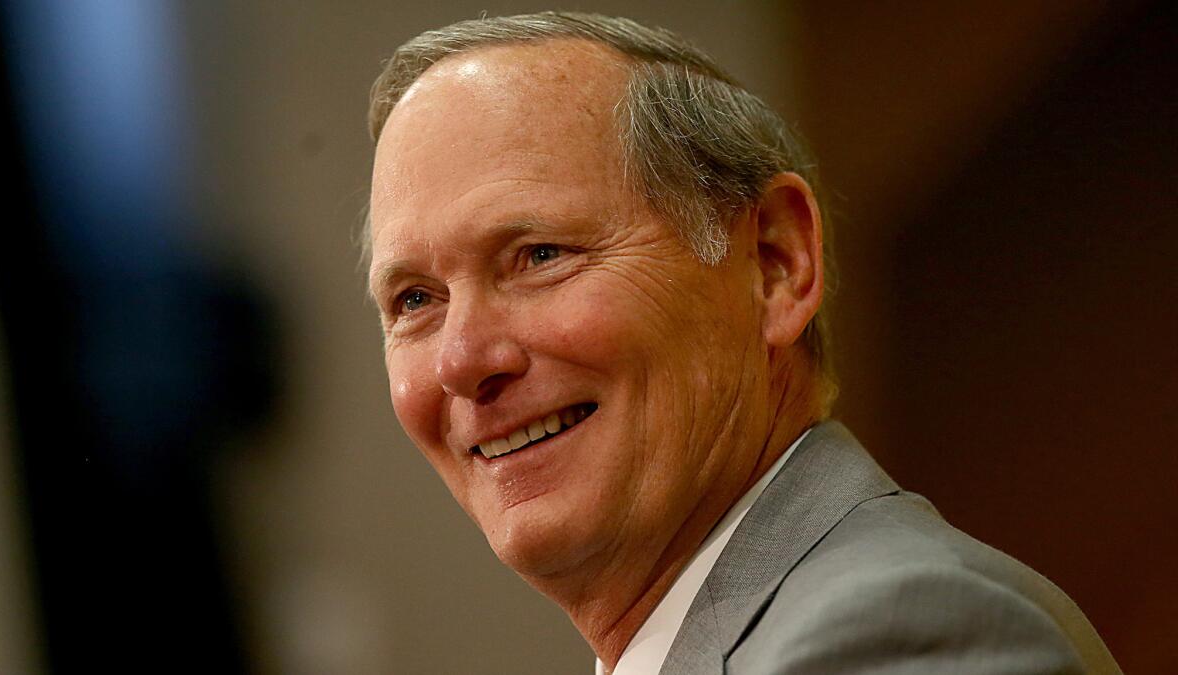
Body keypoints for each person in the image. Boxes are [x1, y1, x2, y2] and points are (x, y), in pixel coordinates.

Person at [364, 11, 1121, 674]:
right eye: (416, 300)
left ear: (774, 265)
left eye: (540, 255)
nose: (461, 361)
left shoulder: (900, 635)